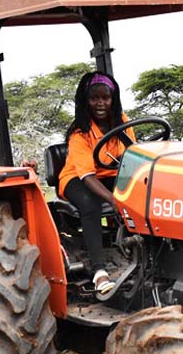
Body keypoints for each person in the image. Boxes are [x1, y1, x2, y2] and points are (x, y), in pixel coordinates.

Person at [57, 71, 135, 296]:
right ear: (86, 101)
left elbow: (132, 156)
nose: (100, 103)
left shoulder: (123, 123)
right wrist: (114, 199)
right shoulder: (80, 133)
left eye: (105, 98)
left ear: (113, 99)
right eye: (94, 98)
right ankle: (99, 272)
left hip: (108, 174)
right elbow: (87, 176)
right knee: (90, 205)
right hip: (77, 178)